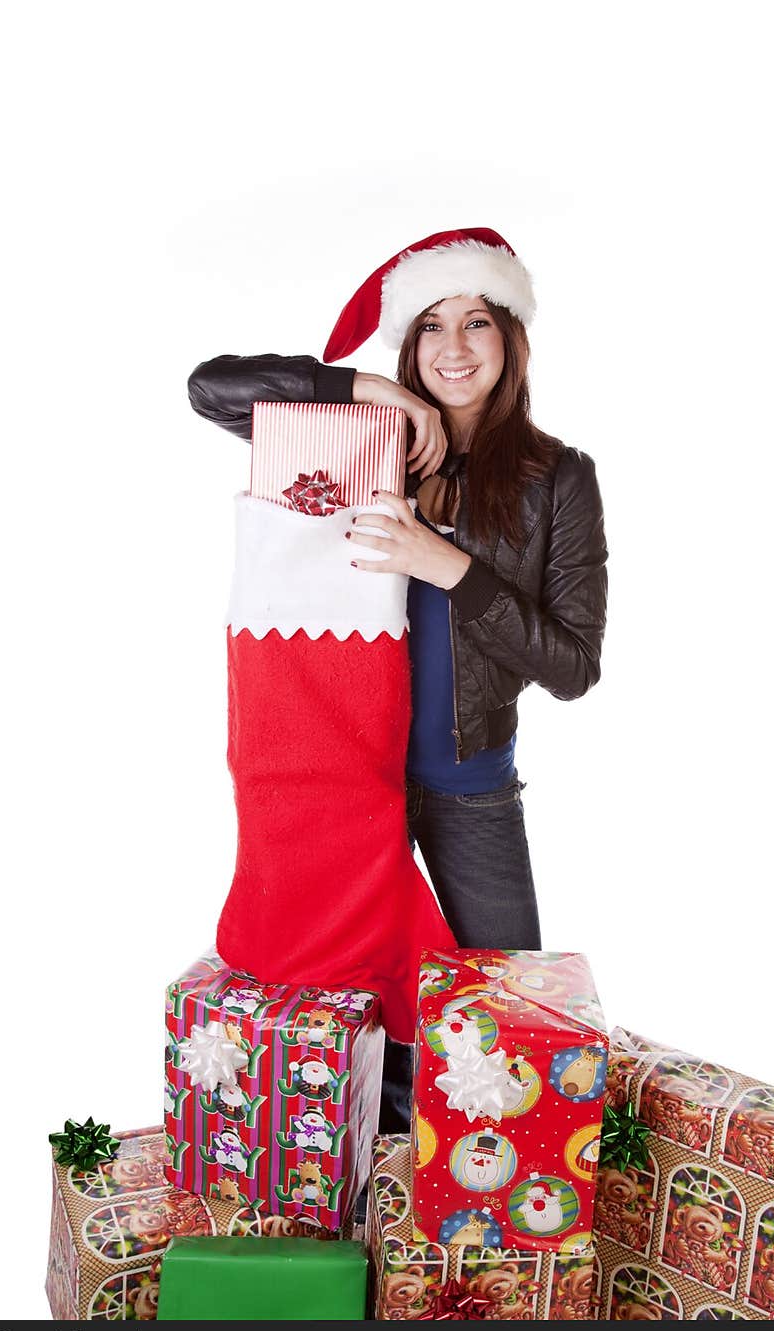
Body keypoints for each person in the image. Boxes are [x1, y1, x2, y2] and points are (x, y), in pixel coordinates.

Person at [188, 227, 608, 1131]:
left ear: (512, 341)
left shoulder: (558, 480)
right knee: (344, 1013)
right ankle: (361, 1189)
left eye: (478, 324)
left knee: (502, 1020)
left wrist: (448, 565)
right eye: (430, 329)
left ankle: (476, 1198)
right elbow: (208, 388)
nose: (453, 350)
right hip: (342, 783)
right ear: (408, 346)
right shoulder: (348, 440)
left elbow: (575, 666)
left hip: (469, 788)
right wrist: (358, 388)